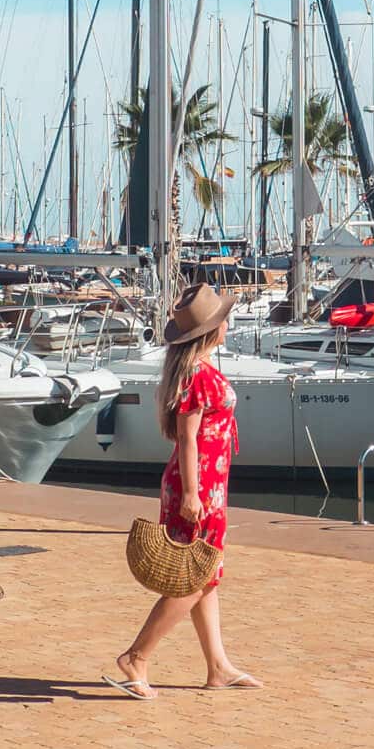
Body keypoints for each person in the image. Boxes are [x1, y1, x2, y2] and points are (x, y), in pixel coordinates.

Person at [110, 283, 262, 698]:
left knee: (206, 575)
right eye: (223, 319)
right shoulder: (197, 375)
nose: (228, 323)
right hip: (199, 485)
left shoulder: (199, 370)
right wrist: (193, 493)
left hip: (208, 482)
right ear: (210, 331)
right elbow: (188, 437)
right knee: (194, 577)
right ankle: (137, 656)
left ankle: (218, 667)